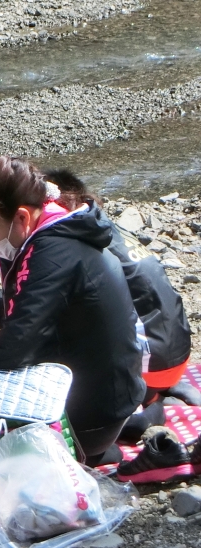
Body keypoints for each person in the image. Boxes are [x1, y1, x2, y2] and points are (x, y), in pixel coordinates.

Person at [0, 156, 145, 466]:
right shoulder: (59, 227)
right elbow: (35, 297)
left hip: (93, 416)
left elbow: (17, 344)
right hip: (115, 395)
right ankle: (116, 435)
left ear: (21, 218)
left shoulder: (53, 251)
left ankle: (91, 449)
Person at [42, 169, 196, 442]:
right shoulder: (99, 224)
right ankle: (157, 390)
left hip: (152, 361)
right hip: (176, 349)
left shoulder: (74, 240)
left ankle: (147, 404)